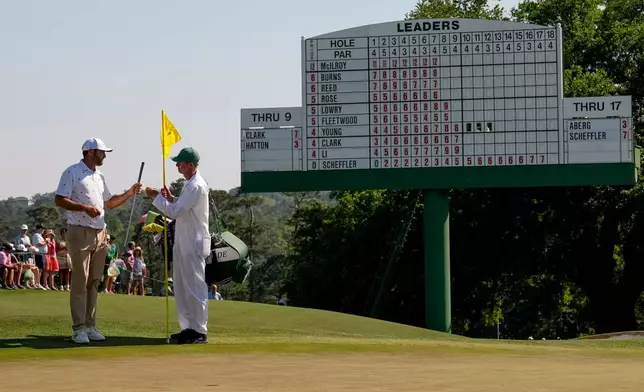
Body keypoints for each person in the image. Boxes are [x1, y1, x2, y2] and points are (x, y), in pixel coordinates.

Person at [54, 137, 142, 344]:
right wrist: (84, 208)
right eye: (102, 152)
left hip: (100, 232)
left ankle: (90, 325)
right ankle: (78, 329)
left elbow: (109, 203)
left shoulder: (99, 176)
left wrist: (129, 193)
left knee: (94, 280)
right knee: (80, 280)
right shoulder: (72, 172)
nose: (104, 155)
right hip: (79, 230)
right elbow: (59, 199)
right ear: (91, 152)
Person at [145, 146, 210, 344]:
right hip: (184, 241)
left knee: (194, 286)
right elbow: (180, 206)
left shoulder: (196, 185)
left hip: (194, 241)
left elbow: (175, 212)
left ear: (190, 165)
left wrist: (156, 197)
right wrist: (169, 198)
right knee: (181, 286)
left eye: (180, 162)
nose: (177, 165)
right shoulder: (189, 184)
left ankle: (199, 330)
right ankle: (188, 327)